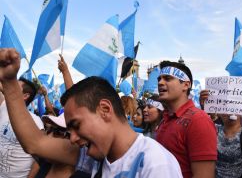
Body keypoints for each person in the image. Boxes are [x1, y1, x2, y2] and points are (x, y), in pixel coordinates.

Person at [0, 48, 183, 178]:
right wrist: (9, 83)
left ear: (105, 110)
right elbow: (35, 143)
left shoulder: (155, 164)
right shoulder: (95, 156)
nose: (71, 138)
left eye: (76, 125)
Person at [156, 60, 217, 178]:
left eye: (167, 78)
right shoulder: (165, 119)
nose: (160, 82)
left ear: (185, 85)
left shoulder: (199, 120)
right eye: (159, 79)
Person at [200, 89, 242, 178]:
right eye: (224, 106)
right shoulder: (213, 129)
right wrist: (205, 107)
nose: (229, 110)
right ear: (219, 112)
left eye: (234, 106)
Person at [0, 78, 44, 177]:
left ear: (25, 96)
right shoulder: (4, 107)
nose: (11, 88)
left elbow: (39, 159)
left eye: (15, 87)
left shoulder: (36, 122)